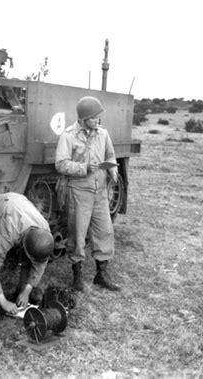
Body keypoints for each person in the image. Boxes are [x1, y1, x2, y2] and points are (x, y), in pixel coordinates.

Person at [55, 96, 121, 292]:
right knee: (77, 234)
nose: (98, 121)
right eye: (94, 118)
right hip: (79, 192)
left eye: (99, 118)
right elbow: (61, 164)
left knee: (105, 232)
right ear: (83, 119)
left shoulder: (103, 134)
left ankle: (102, 274)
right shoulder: (68, 136)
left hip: (100, 192)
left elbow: (110, 155)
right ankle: (77, 275)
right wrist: (84, 167)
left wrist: (112, 171)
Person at [0, 192, 55, 314]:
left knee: (29, 258)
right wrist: (3, 302)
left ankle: (19, 292)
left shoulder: (44, 231)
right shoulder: (8, 233)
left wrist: (26, 291)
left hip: (19, 205)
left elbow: (40, 264)